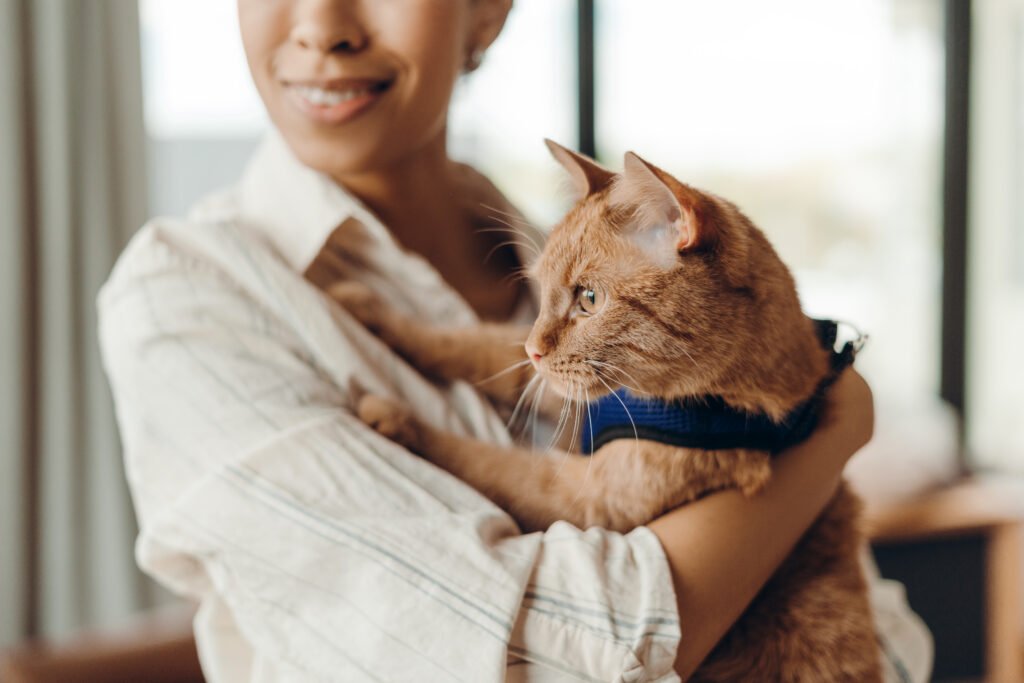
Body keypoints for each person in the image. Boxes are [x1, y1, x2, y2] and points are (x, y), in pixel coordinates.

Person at [98, 0, 932, 680]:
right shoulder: (185, 294)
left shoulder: (572, 247)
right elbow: (560, 656)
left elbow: (894, 639)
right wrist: (828, 434)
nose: (323, 27)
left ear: (488, 13)